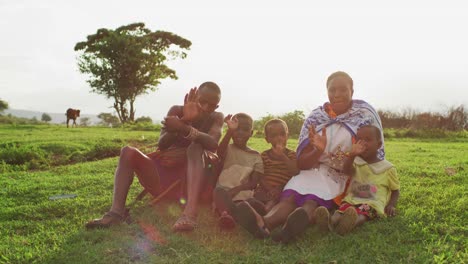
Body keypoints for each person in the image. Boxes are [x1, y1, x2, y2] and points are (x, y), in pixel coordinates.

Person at [233, 71, 385, 243]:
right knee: (290, 197)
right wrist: (318, 150)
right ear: (326, 92)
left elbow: (372, 155)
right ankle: (264, 222)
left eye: (343, 89)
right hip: (311, 171)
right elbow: (302, 164)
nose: (337, 94)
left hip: (340, 175)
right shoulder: (316, 117)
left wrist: (367, 184)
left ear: (352, 90)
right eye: (332, 90)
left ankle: (289, 230)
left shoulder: (364, 116)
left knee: (312, 201)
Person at [86, 82, 224, 232]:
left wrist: (184, 128)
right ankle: (116, 213)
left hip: (190, 185)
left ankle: (189, 215)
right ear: (195, 96)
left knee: (195, 147)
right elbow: (162, 144)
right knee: (128, 151)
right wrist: (185, 119)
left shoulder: (216, 117)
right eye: (202, 101)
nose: (205, 107)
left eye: (211, 105)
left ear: (216, 107)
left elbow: (212, 143)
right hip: (162, 179)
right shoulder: (177, 110)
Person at [314, 125, 400, 236]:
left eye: (368, 140)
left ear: (378, 145)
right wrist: (351, 156)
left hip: (372, 201)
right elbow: (346, 171)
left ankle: (350, 224)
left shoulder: (388, 168)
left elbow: (395, 190)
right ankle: (329, 223)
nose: (363, 143)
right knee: (340, 211)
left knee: (362, 214)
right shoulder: (356, 161)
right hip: (353, 198)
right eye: (359, 140)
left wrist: (391, 205)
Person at [212, 113, 264, 229]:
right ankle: (228, 216)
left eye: (245, 129)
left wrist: (237, 189)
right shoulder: (228, 148)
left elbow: (254, 183)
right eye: (236, 129)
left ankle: (235, 213)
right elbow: (219, 152)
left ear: (251, 133)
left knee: (244, 203)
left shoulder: (256, 156)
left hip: (242, 194)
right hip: (224, 193)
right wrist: (230, 131)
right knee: (219, 193)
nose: (240, 132)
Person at [253, 119, 299, 213]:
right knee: (256, 196)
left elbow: (295, 172)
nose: (279, 138)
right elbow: (260, 176)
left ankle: (266, 210)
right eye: (274, 135)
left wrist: (282, 156)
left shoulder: (291, 155)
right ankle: (255, 207)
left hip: (282, 189)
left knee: (277, 200)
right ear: (267, 139)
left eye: (282, 134)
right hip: (265, 188)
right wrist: (269, 188)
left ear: (287, 135)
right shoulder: (264, 155)